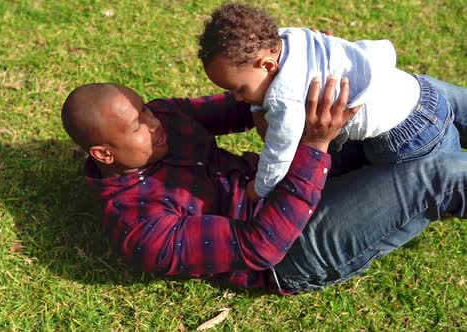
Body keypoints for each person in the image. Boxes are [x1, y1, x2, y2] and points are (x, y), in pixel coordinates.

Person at [61, 74, 467, 293]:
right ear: (103, 154)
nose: (154, 123)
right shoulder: (139, 228)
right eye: (137, 126)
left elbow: (239, 105)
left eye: (146, 110)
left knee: (410, 94)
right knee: (439, 174)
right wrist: (315, 145)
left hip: (291, 179)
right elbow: (261, 246)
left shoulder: (162, 121)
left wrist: (306, 72)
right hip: (292, 252)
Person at [197, 3, 462, 201]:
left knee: (433, 185)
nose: (237, 98)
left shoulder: (283, 99)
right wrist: (255, 103)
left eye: (239, 88)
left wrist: (258, 189)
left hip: (404, 136)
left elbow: (279, 154)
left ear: (267, 64)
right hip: (420, 93)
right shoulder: (290, 37)